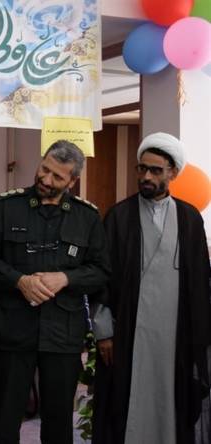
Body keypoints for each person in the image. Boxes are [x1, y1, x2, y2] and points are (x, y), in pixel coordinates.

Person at [0, 140, 110, 444]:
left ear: (72, 181)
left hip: (63, 335)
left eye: (57, 177)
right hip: (13, 331)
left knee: (58, 422)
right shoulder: (6, 206)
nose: (46, 179)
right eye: (44, 169)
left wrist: (66, 278)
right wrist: (19, 281)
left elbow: (101, 271)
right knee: (4, 419)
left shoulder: (86, 217)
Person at [92, 132, 211, 444]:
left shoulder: (189, 219)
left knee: (172, 402)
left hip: (176, 336)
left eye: (155, 170)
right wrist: (104, 332)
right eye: (142, 168)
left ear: (173, 173)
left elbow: (201, 282)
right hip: (128, 333)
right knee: (124, 403)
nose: (146, 176)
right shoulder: (119, 217)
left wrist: (200, 337)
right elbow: (102, 278)